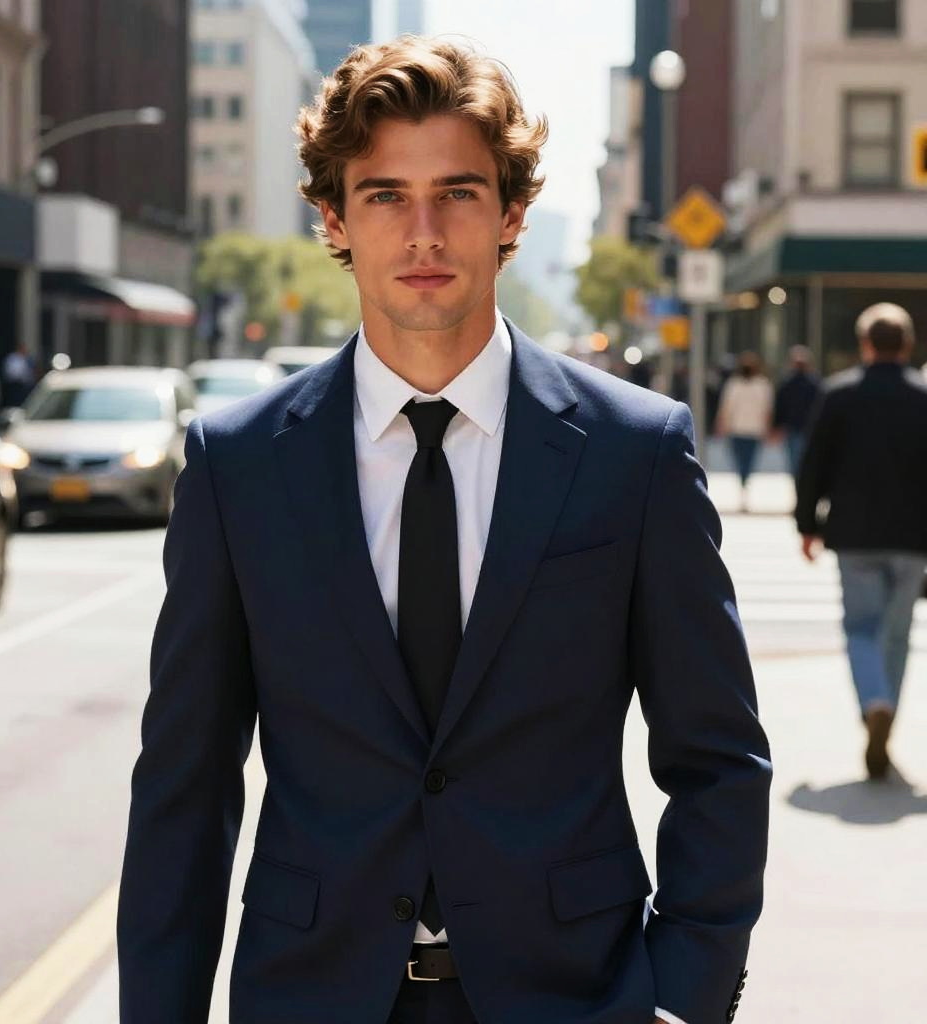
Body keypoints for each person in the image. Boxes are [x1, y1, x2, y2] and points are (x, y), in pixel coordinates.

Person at [117, 37, 770, 1024]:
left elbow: (716, 754)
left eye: (457, 192)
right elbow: (186, 782)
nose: (423, 232)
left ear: (509, 212)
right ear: (334, 216)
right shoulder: (237, 463)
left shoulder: (632, 452)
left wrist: (684, 992)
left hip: (576, 996)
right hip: (311, 995)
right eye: (384, 196)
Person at [796, 303, 927, 780]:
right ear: (907, 345)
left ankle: (874, 701)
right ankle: (886, 709)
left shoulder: (839, 394)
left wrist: (806, 524)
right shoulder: (923, 396)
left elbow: (813, 464)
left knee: (860, 628)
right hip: (913, 538)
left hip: (853, 534)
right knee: (897, 634)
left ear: (865, 344)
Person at [714, 351, 773, 512]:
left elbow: (766, 409)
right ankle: (743, 487)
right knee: (742, 461)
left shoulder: (761, 385)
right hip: (739, 429)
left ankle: (744, 487)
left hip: (750, 430)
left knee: (747, 461)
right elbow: (727, 407)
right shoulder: (736, 384)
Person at [772, 345, 820, 478]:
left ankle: (799, 482)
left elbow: (779, 406)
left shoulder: (788, 382)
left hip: (797, 427)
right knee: (803, 459)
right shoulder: (814, 383)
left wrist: (777, 425)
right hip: (804, 427)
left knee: (795, 460)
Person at [1, 343, 38, 408]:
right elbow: (11, 373)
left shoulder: (26, 358)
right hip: (15, 385)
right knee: (15, 402)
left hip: (25, 386)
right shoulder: (12, 358)